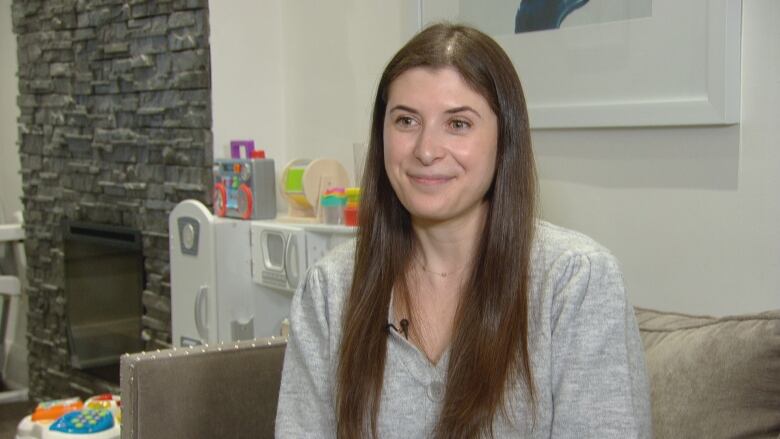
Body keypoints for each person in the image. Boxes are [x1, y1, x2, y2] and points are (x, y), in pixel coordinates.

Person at [275, 23, 651, 439]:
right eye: (405, 121)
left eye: (457, 124)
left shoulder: (576, 283)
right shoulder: (330, 290)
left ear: (504, 139)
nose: (426, 150)